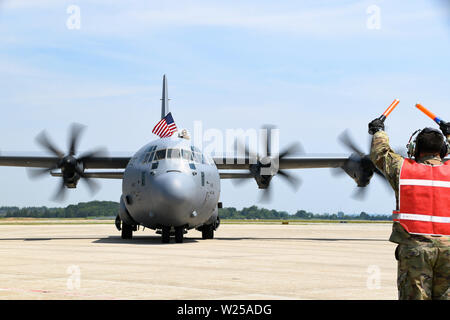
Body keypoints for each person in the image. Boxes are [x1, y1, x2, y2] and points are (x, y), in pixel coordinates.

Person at [368, 117, 450, 300]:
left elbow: (380, 153)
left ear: (414, 150)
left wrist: (378, 131)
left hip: (415, 250)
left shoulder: (402, 169)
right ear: (443, 150)